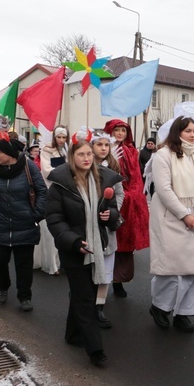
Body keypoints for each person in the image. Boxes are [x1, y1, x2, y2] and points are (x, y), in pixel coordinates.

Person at [45, 136, 123, 366]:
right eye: (81, 154)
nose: (87, 158)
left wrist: (111, 216)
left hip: (97, 246)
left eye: (89, 154)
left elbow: (114, 211)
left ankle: (72, 334)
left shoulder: (103, 179)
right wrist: (73, 241)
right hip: (74, 249)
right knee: (86, 298)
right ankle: (95, 350)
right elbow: (55, 219)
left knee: (83, 294)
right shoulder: (60, 183)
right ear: (72, 157)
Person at [148, 116, 194, 333]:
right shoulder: (163, 155)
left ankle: (184, 313)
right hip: (170, 215)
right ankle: (160, 307)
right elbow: (163, 189)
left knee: (193, 270)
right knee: (170, 269)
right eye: (187, 131)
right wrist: (185, 215)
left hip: (193, 214)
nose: (192, 135)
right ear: (177, 132)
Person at [0, 136, 48, 311]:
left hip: (25, 225)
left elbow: (41, 190)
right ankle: (3, 286)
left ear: (10, 154)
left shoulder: (28, 167)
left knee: (24, 265)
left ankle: (25, 296)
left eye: (0, 152)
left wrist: (36, 215)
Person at [103, 119, 150, 298]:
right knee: (110, 243)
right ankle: (103, 284)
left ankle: (119, 282)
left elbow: (136, 178)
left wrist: (135, 197)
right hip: (112, 200)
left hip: (129, 203)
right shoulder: (105, 148)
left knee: (125, 245)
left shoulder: (131, 150)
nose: (120, 133)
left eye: (123, 130)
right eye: (117, 130)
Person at [90, 130, 125, 328]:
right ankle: (86, 302)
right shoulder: (84, 166)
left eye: (106, 145)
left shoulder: (113, 167)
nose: (103, 148)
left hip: (106, 227)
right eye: (99, 144)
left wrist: (112, 211)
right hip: (88, 225)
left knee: (106, 267)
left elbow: (119, 194)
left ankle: (100, 306)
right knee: (91, 267)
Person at [36, 126, 69, 275]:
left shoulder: (67, 150)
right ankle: (52, 264)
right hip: (52, 190)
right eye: (59, 137)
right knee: (51, 228)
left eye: (64, 137)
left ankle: (62, 261)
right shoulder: (47, 150)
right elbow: (46, 171)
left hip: (66, 191)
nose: (61, 140)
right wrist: (65, 172)